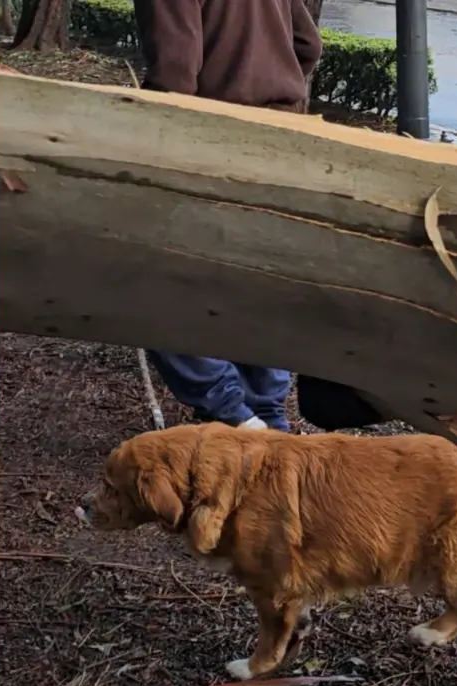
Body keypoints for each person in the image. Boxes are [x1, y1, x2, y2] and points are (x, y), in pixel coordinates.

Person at [133, 0, 323, 431]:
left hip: (212, 140)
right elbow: (307, 45)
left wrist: (144, 147)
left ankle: (234, 414)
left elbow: (174, 74)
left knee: (144, 281)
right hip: (280, 136)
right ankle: (266, 412)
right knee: (254, 280)